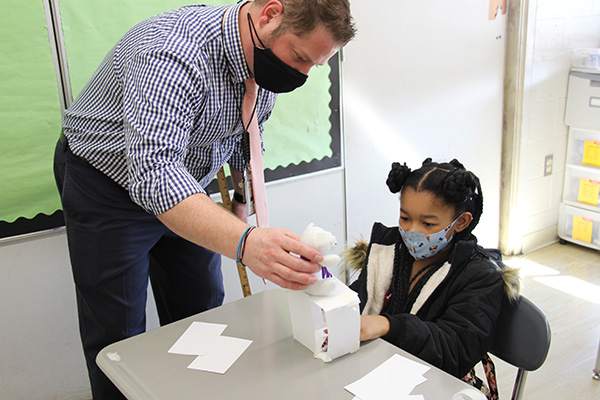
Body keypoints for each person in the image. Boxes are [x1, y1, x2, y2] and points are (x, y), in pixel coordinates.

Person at [53, 1, 355, 398]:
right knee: (118, 332)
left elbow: (248, 134)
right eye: (299, 57)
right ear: (270, 15)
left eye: (313, 67)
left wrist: (242, 207)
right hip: (108, 185)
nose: (300, 75)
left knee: (203, 312)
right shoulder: (169, 51)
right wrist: (245, 243)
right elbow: (154, 172)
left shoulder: (264, 58)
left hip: (186, 183)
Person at [345, 158, 520, 399]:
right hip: (379, 371)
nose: (412, 231)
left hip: (437, 384)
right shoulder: (389, 249)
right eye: (405, 218)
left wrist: (388, 325)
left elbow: (455, 351)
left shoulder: (480, 276)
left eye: (428, 223)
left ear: (461, 222)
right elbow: (360, 298)